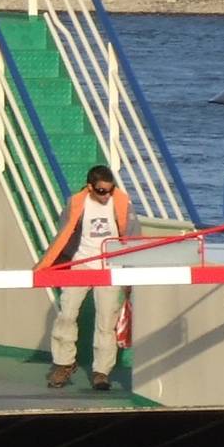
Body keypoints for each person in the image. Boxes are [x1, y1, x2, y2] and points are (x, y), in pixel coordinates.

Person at [39, 165, 132, 391]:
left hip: (108, 268)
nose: (106, 195)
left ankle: (102, 371)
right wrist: (49, 264)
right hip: (79, 264)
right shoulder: (76, 203)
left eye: (110, 190)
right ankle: (64, 364)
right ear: (90, 187)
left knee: (106, 323)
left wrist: (129, 273)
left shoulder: (122, 203)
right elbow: (62, 234)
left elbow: (132, 237)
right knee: (66, 315)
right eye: (101, 191)